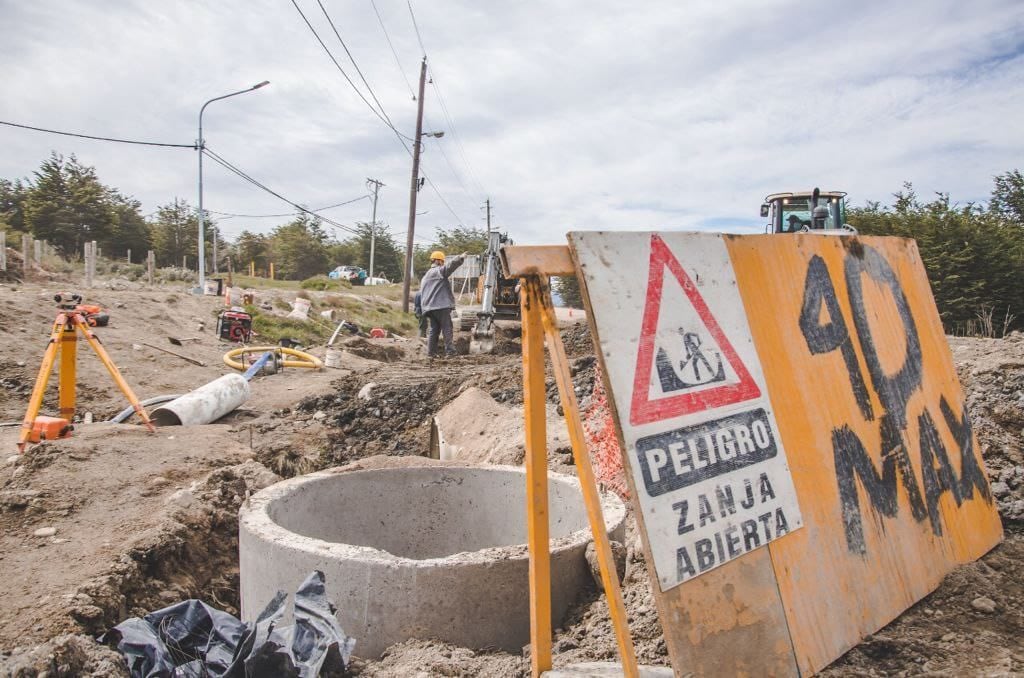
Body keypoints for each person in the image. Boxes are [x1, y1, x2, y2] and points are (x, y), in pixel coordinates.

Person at [420, 250, 466, 358]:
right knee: (447, 328)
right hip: (441, 306)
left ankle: (431, 353)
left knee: (434, 330)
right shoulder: (438, 271)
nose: (443, 263)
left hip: (430, 308)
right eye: (442, 261)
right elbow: (450, 267)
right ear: (437, 261)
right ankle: (450, 352)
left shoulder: (425, 276)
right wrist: (460, 258)